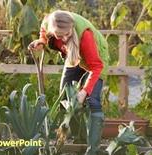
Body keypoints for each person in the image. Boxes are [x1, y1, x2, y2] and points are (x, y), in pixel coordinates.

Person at [28, 10, 109, 155]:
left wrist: (84, 91)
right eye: (59, 36)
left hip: (96, 59)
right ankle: (80, 141)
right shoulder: (49, 22)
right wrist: (41, 41)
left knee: (92, 100)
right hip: (73, 55)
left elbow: (96, 66)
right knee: (66, 98)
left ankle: (93, 150)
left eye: (67, 34)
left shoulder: (85, 36)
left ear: (71, 27)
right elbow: (43, 30)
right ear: (53, 30)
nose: (64, 38)